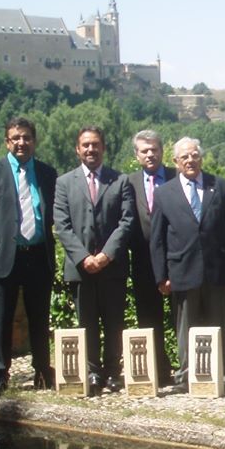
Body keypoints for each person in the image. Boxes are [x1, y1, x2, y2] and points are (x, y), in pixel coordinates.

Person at [0, 117, 57, 397]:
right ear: (7, 141)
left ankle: (43, 370)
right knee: (0, 319)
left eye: (27, 137)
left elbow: (52, 213)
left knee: (39, 317)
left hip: (38, 256)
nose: (22, 142)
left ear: (34, 140)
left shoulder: (47, 174)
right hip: (4, 257)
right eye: (15, 138)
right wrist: (4, 239)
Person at [150, 137, 225, 388]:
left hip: (217, 268)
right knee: (186, 327)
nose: (190, 160)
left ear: (201, 158)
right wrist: (161, 276)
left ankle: (221, 373)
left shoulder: (220, 186)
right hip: (181, 269)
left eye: (194, 155)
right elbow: (157, 239)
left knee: (218, 323)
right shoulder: (164, 193)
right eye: (185, 157)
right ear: (175, 162)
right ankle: (185, 375)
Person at [54, 126, 136, 395]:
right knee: (86, 321)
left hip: (112, 267)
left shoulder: (121, 181)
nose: (91, 149)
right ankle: (91, 372)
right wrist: (83, 258)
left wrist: (105, 255)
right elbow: (62, 226)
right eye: (86, 145)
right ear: (77, 149)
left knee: (114, 322)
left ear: (104, 148)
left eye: (96, 144)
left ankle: (113, 372)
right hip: (81, 269)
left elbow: (127, 221)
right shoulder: (64, 183)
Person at [127, 129, 175, 385]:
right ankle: (158, 368)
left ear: (162, 151)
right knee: (149, 316)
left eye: (154, 149)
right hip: (144, 260)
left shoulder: (177, 177)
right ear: (137, 155)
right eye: (144, 150)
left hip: (177, 258)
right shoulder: (129, 182)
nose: (150, 154)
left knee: (182, 315)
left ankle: (188, 369)